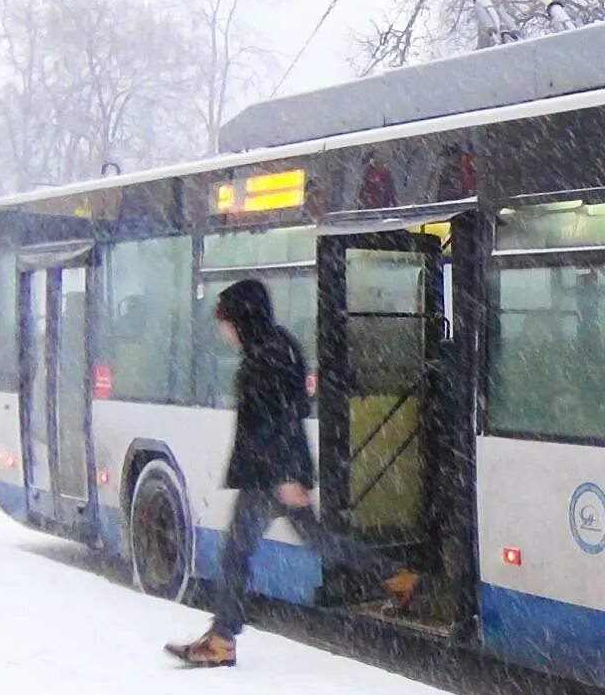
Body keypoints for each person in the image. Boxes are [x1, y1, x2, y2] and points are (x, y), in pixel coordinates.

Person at [165, 280, 418, 668]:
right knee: (314, 540)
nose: (223, 330)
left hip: (270, 475)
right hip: (274, 471)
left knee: (237, 554)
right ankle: (395, 576)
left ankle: (222, 639)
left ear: (243, 319)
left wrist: (286, 476)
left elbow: (280, 419)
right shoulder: (275, 347)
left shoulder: (268, 357)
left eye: (226, 321)